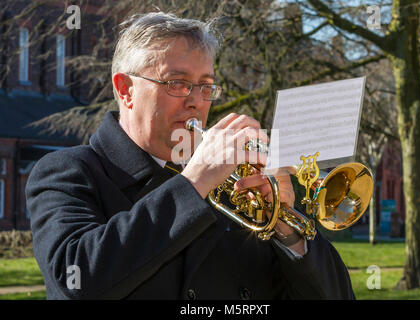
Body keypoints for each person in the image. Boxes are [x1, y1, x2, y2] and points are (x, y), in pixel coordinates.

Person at [26, 12, 355, 300]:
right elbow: (79, 281)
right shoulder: (67, 172)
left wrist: (286, 226)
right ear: (126, 89)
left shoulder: (236, 190)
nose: (197, 101)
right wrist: (194, 182)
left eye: (206, 86)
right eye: (178, 83)